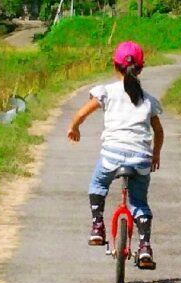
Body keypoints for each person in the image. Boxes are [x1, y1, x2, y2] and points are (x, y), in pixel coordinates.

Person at [67, 39, 164, 270]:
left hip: (112, 156)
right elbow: (158, 131)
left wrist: (74, 127)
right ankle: (144, 247)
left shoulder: (106, 92)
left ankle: (97, 227)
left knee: (97, 184)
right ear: (141, 68)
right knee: (139, 201)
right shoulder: (148, 100)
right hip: (141, 159)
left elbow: (81, 114)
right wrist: (155, 154)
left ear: (114, 65)